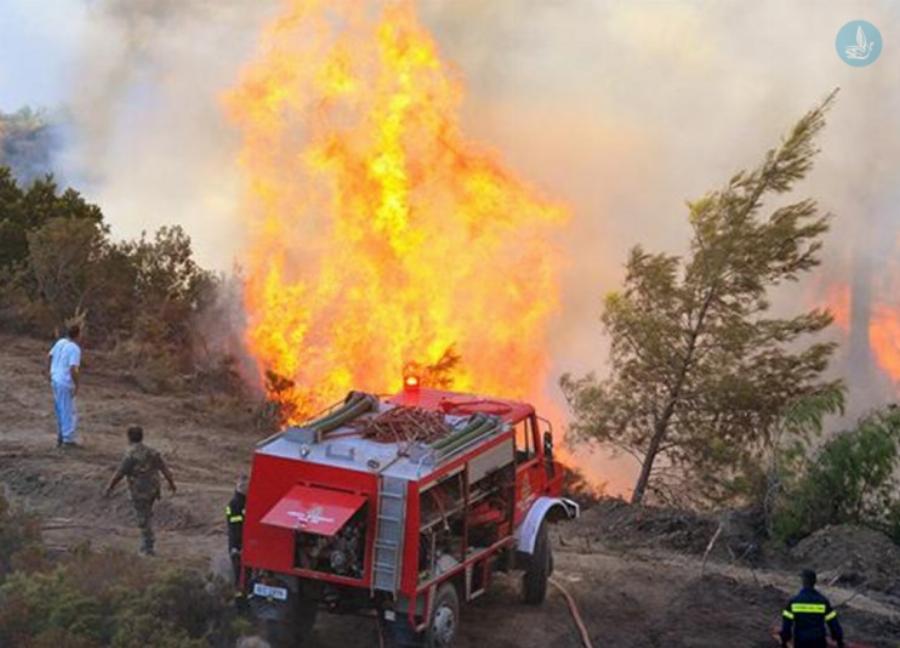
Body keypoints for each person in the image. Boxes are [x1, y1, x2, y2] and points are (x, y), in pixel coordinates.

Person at [104, 426, 176, 555]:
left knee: (143, 519)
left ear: (129, 437)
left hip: (139, 490)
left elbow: (119, 473)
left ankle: (148, 548)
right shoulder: (152, 452)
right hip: (153, 489)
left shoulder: (130, 455)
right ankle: (148, 544)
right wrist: (171, 484)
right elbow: (164, 469)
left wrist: (110, 488)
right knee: (146, 515)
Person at [780, 569, 845, 648]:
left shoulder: (795, 601)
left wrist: (784, 640)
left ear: (803, 582)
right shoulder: (822, 601)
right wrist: (839, 640)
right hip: (818, 641)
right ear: (814, 582)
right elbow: (833, 622)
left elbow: (786, 624)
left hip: (801, 641)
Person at [47, 324, 82, 447]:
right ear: (78, 335)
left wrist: (50, 372)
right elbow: (73, 368)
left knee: (60, 408)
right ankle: (68, 439)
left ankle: (61, 434)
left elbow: (50, 356)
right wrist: (77, 384)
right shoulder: (74, 348)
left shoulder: (60, 342)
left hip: (55, 378)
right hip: (64, 382)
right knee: (69, 410)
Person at [226, 475, 248, 585]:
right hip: (238, 546)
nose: (246, 488)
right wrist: (236, 547)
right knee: (239, 575)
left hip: (246, 543)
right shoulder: (235, 505)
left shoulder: (246, 502)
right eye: (243, 486)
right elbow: (234, 528)